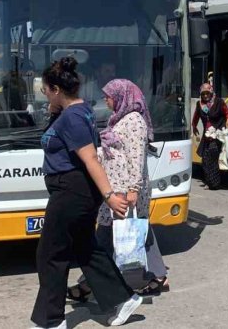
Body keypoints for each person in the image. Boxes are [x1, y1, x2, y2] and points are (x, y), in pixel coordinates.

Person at [31, 57, 142, 329]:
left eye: (46, 90)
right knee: (86, 250)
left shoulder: (73, 117)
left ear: (57, 89)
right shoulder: (78, 111)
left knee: (51, 255)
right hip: (73, 188)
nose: (44, 94)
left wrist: (109, 195)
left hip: (72, 190)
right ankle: (123, 299)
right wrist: (53, 112)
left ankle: (51, 320)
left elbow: (91, 158)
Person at [67, 79, 170, 302]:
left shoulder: (133, 121)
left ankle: (88, 284)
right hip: (116, 187)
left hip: (125, 190)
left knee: (106, 235)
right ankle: (158, 275)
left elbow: (135, 158)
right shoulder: (120, 119)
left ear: (122, 96)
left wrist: (133, 189)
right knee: (138, 231)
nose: (106, 99)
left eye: (109, 95)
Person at [191, 83, 228, 190]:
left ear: (211, 92)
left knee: (212, 155)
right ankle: (209, 181)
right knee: (205, 160)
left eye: (207, 93)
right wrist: (194, 126)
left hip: (218, 134)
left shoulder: (219, 102)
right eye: (203, 94)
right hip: (207, 135)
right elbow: (196, 117)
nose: (205, 96)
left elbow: (227, 113)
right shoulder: (199, 104)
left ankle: (214, 183)